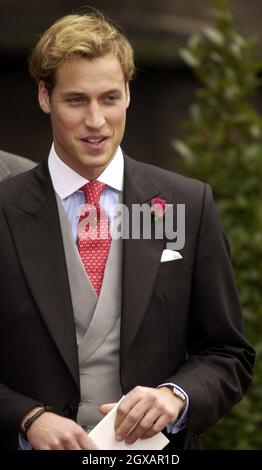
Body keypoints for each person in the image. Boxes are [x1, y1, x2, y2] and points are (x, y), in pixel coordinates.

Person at [0, 11, 255, 451]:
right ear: (45, 96)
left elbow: (228, 354)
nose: (96, 121)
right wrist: (28, 417)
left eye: (110, 98)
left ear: (129, 94)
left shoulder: (186, 205)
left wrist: (176, 397)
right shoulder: (4, 208)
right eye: (76, 100)